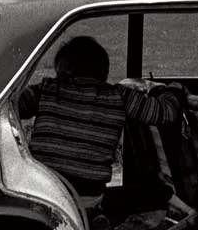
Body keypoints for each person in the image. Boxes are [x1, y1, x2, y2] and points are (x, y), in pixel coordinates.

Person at [17, 36, 184, 197]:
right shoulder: (120, 96)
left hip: (44, 190)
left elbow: (13, 105)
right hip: (88, 194)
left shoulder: (47, 89)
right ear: (104, 70)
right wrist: (171, 89)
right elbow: (166, 113)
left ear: (62, 68)